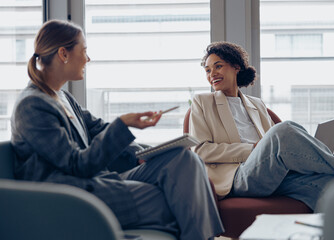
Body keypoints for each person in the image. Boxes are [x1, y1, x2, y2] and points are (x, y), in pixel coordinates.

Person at [10, 19, 224, 240]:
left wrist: (146, 153)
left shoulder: (63, 97)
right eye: (84, 51)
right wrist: (122, 124)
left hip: (95, 180)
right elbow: (77, 165)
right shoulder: (32, 105)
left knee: (184, 159)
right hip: (72, 194)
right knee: (176, 199)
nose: (88, 59)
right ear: (63, 54)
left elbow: (100, 129)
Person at [189, 41, 334, 210]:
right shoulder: (202, 102)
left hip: (272, 173)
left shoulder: (257, 104)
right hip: (237, 178)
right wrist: (252, 148)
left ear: (236, 67)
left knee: (333, 185)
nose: (212, 74)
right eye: (208, 70)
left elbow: (278, 146)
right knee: (284, 130)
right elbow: (201, 150)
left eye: (218, 66)